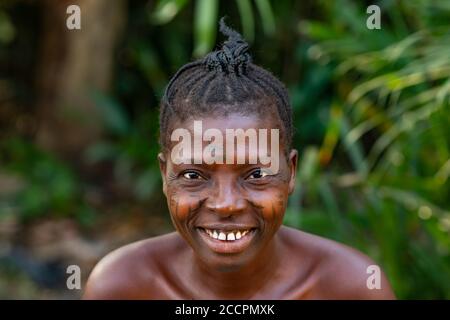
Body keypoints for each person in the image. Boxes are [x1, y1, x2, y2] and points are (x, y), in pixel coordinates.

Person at [83, 18, 395, 300]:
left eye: (256, 173)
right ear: (165, 175)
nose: (226, 204)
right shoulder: (123, 287)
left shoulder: (350, 287)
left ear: (292, 172)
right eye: (193, 175)